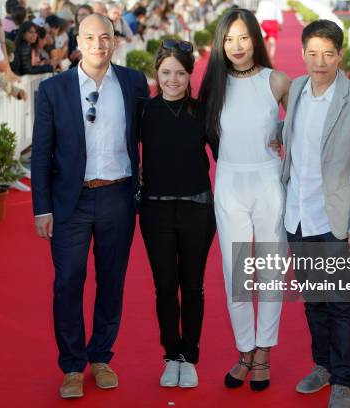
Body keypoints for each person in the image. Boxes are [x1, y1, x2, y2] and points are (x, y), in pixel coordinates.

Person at [31, 14, 149, 399]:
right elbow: (42, 153)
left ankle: (100, 356)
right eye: (91, 38)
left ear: (115, 41)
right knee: (67, 282)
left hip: (118, 196)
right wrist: (41, 208)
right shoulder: (54, 89)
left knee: (111, 282)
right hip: (71, 202)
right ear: (77, 41)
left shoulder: (132, 83)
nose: (99, 44)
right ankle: (71, 365)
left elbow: (152, 135)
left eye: (106, 37)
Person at [280, 20, 350, 408]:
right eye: (312, 53)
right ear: (302, 53)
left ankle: (343, 379)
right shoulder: (298, 89)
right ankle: (322, 366)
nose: (319, 61)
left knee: (339, 303)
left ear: (340, 55)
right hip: (297, 215)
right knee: (313, 300)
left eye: (327, 54)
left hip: (334, 219)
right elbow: (298, 138)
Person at [198, 8, 290, 392]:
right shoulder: (214, 85)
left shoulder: (278, 81)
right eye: (229, 38)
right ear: (221, 43)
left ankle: (264, 351)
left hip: (268, 182)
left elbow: (307, 121)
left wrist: (283, 129)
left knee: (270, 270)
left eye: (244, 37)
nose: (236, 46)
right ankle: (244, 351)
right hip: (230, 183)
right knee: (237, 276)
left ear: (256, 39)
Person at [139, 39, 216, 389]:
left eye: (180, 73)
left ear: (190, 74)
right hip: (155, 211)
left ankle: (190, 356)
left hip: (197, 208)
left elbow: (225, 156)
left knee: (193, 286)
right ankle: (171, 355)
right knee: (165, 286)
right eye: (166, 72)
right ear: (157, 73)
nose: (173, 80)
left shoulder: (202, 112)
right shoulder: (144, 111)